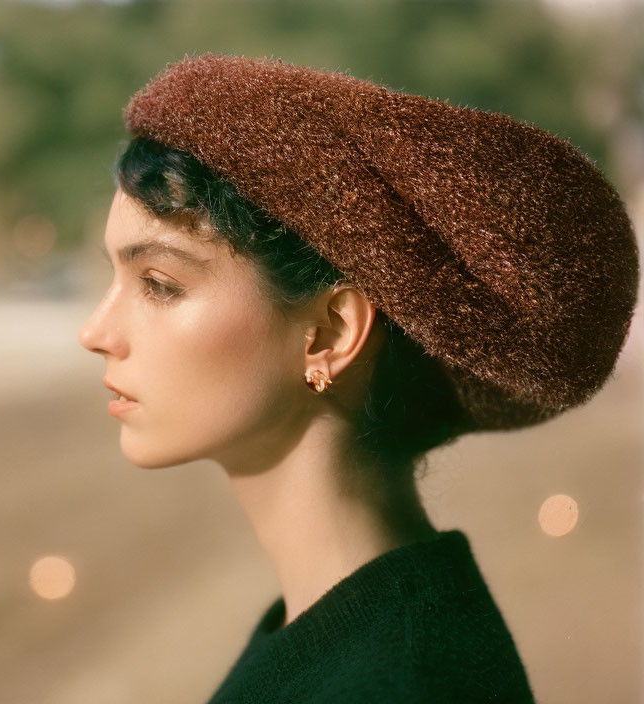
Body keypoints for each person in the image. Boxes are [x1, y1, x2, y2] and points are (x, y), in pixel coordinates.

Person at [77, 54, 639, 703]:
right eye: (113, 279)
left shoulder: (399, 682)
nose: (96, 332)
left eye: (159, 284)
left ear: (331, 333)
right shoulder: (357, 626)